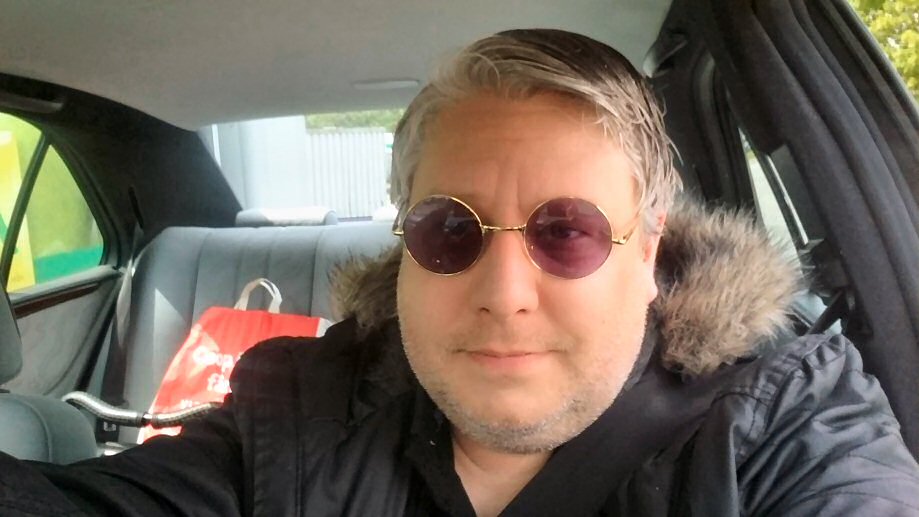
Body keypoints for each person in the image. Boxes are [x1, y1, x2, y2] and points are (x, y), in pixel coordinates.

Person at [2, 28, 918, 517]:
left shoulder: (781, 423)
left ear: (647, 251)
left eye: (567, 231)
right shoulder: (294, 417)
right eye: (449, 230)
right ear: (405, 245)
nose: (503, 292)